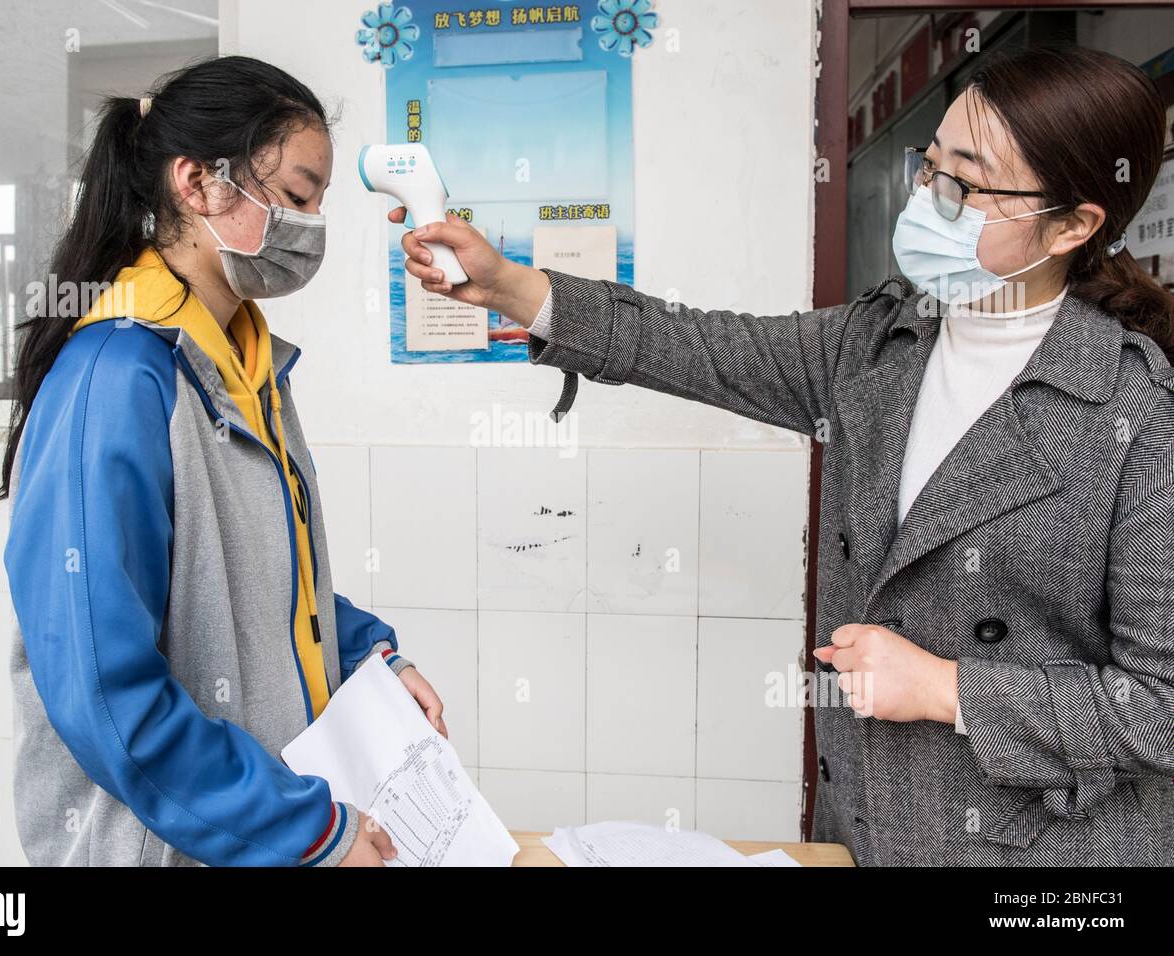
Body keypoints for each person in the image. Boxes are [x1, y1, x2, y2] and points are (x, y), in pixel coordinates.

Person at [391, 44, 1174, 866]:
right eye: (928, 165)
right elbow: (698, 346)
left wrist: (949, 690)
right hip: (872, 832)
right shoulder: (882, 341)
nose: (928, 200)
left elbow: (1160, 708)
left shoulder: (1139, 417)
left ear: (1075, 224)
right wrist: (511, 286)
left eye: (965, 185)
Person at [0, 56, 446, 867]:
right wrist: (302, 830)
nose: (313, 226)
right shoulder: (115, 382)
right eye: (299, 196)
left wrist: (368, 661)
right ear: (198, 184)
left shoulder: (244, 360)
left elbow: (257, 578)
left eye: (321, 203)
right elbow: (106, 694)